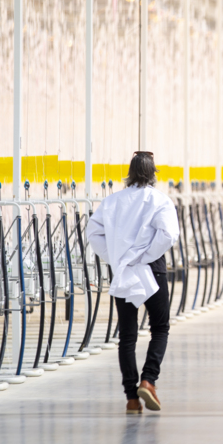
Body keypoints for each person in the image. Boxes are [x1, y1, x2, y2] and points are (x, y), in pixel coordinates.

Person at [88, 151, 180, 415]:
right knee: (160, 327)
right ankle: (148, 380)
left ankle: (131, 397)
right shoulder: (160, 200)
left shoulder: (112, 201)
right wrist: (146, 256)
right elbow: (168, 234)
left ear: (129, 172)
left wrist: (118, 258)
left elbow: (93, 232)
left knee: (127, 335)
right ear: (153, 174)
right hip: (153, 269)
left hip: (123, 270)